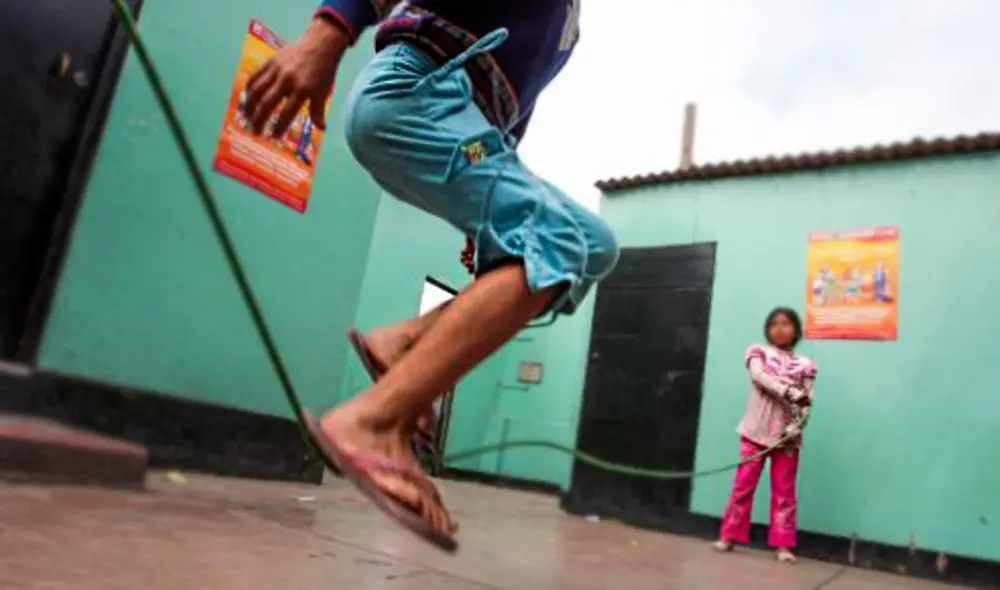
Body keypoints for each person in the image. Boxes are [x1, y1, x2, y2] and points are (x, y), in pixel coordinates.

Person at [242, 0, 618, 552]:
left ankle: (406, 340)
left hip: (461, 124)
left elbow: (511, 116)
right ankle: (372, 423)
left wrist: (485, 217)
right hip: (417, 90)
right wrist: (328, 32)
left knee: (592, 244)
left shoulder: (566, 27)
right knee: (561, 240)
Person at [713, 307, 817, 563]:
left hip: (787, 439)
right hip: (755, 432)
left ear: (796, 331)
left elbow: (807, 401)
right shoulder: (757, 352)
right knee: (743, 486)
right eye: (774, 324)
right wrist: (789, 392)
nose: (779, 329)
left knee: (784, 492)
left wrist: (799, 424)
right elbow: (759, 377)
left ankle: (783, 546)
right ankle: (728, 536)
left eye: (786, 324)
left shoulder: (806, 366)